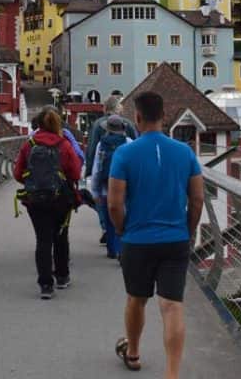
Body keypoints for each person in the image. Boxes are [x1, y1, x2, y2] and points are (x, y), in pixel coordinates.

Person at [107, 92, 204, 378]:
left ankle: (134, 353)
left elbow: (114, 202)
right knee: (172, 305)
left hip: (137, 240)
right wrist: (188, 230)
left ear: (136, 118)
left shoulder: (124, 153)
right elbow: (197, 199)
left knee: (136, 299)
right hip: (175, 239)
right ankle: (171, 374)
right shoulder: (185, 152)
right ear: (164, 116)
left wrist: (122, 229)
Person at [14, 107, 82, 299]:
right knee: (61, 237)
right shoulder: (64, 144)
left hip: (35, 199)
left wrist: (35, 183)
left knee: (43, 240)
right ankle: (62, 276)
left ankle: (45, 285)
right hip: (60, 198)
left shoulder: (29, 144)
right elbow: (75, 173)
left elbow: (18, 173)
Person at [85, 96, 138, 242]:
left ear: (105, 108)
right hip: (125, 173)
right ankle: (123, 230)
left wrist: (89, 172)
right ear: (117, 108)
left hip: (104, 172)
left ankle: (106, 229)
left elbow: (91, 150)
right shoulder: (127, 124)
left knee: (103, 202)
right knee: (124, 201)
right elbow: (137, 146)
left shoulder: (97, 125)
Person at [90, 114, 132, 259]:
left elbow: (97, 170)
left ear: (107, 129)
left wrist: (94, 191)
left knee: (109, 220)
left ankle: (111, 250)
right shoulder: (129, 142)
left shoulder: (101, 145)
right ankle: (122, 250)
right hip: (125, 188)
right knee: (124, 217)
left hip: (105, 188)